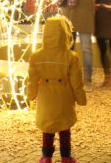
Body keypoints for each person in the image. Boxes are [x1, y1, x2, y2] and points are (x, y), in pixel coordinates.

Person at [28, 15, 87, 163]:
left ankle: (46, 157)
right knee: (64, 128)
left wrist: (31, 94)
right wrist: (81, 99)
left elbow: (32, 79)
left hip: (46, 97)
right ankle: (66, 157)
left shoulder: (36, 56)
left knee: (47, 128)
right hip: (64, 97)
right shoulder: (71, 57)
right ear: (66, 33)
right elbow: (77, 82)